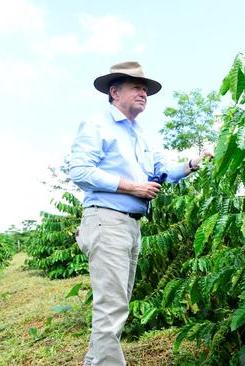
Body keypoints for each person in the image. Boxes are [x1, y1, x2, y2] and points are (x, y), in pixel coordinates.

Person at [69, 61, 212, 366]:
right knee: (111, 308)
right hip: (106, 220)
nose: (143, 93)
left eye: (145, 89)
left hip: (130, 226)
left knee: (116, 305)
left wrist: (193, 164)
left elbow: (163, 173)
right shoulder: (97, 125)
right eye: (136, 87)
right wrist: (131, 187)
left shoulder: (140, 135)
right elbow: (79, 170)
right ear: (114, 91)